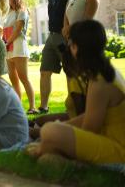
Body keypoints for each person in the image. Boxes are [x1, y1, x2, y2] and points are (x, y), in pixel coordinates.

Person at [27, 20, 125, 165]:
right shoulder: (103, 72)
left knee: (50, 132)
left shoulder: (100, 81)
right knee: (50, 132)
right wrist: (62, 126)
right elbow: (89, 116)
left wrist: (55, 133)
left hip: (118, 150)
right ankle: (52, 153)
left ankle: (60, 156)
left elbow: (89, 129)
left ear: (77, 47)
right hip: (111, 142)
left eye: (71, 44)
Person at [39, 0, 76, 114]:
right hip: (51, 37)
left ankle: (72, 106)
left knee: (70, 71)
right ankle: (43, 107)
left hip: (65, 39)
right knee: (44, 71)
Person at [3, 0, 36, 114]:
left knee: (24, 77)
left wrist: (7, 42)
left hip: (18, 47)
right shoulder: (8, 13)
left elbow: (17, 30)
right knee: (13, 79)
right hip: (8, 49)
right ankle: (18, 107)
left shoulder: (22, 11)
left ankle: (32, 107)